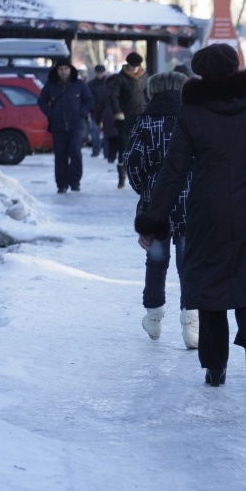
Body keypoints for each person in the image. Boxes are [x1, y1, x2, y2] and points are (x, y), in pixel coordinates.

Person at [134, 43, 246, 388]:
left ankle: (215, 367)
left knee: (210, 285)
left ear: (200, 72)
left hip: (207, 209)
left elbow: (173, 171)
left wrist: (153, 220)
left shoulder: (192, 111)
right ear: (235, 67)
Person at [123, 71, 198, 349]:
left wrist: (145, 188)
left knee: (156, 260)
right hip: (191, 200)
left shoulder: (145, 121)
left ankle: (153, 318)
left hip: (156, 202)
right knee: (188, 263)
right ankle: (191, 325)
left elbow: (132, 160)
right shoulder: (194, 119)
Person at [37, 57, 94, 194]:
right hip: (58, 126)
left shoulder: (79, 84)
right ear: (57, 71)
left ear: (70, 69)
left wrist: (82, 112)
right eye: (61, 69)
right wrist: (50, 113)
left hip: (76, 125)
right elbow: (41, 101)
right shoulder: (50, 85)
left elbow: (89, 100)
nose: (63, 71)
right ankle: (61, 184)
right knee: (60, 155)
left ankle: (75, 182)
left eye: (66, 69)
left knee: (75, 152)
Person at [111, 51, 147, 189]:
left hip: (142, 115)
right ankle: (122, 178)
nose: (135, 69)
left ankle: (142, 175)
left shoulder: (144, 75)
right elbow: (114, 96)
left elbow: (148, 93)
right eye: (133, 66)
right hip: (125, 118)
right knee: (125, 147)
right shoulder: (121, 77)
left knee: (143, 147)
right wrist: (118, 112)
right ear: (128, 65)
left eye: (137, 66)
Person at [86, 64, 108, 157]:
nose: (99, 74)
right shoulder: (91, 84)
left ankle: (107, 152)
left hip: (106, 112)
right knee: (95, 132)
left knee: (106, 133)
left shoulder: (108, 83)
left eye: (101, 72)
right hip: (95, 111)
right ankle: (96, 151)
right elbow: (89, 98)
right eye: (98, 73)